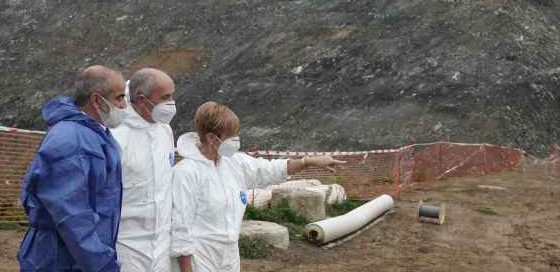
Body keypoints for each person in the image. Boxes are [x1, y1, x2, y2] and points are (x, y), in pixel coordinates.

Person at [171, 102, 345, 272]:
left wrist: (309, 162)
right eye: (231, 136)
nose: (236, 140)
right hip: (200, 258)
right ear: (211, 138)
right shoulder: (186, 173)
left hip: (229, 255)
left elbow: (270, 170)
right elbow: (180, 228)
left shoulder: (234, 163)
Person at [18, 65, 127, 272]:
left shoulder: (94, 135)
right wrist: (102, 265)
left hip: (75, 258)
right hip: (60, 260)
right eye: (119, 98)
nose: (124, 106)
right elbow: (73, 217)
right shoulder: (71, 141)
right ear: (96, 101)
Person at [111, 68, 177, 272]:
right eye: (165, 97)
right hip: (126, 244)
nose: (172, 103)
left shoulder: (165, 131)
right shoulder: (116, 135)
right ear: (141, 98)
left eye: (173, 96)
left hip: (161, 244)